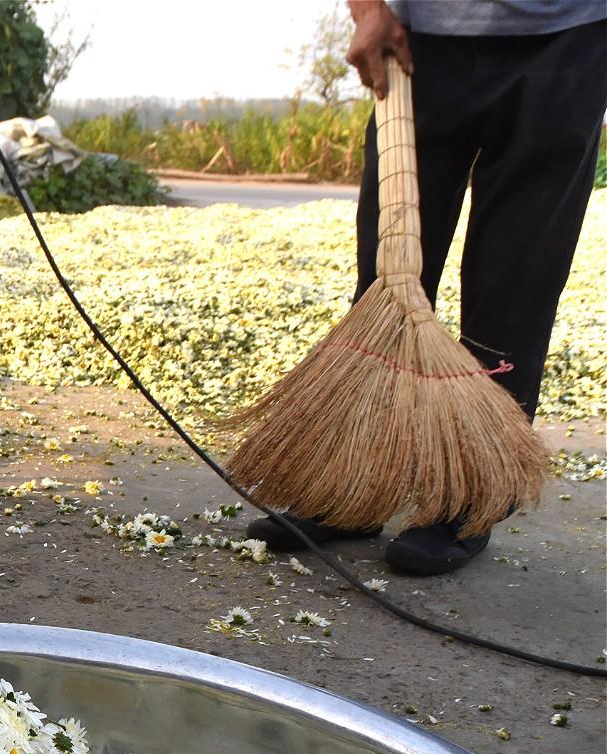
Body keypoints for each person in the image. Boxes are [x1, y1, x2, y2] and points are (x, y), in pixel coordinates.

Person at [248, 0, 607, 575]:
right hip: (420, 38)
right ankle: (356, 486)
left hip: (568, 38)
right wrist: (367, 8)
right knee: (385, 279)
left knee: (513, 284)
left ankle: (466, 500)